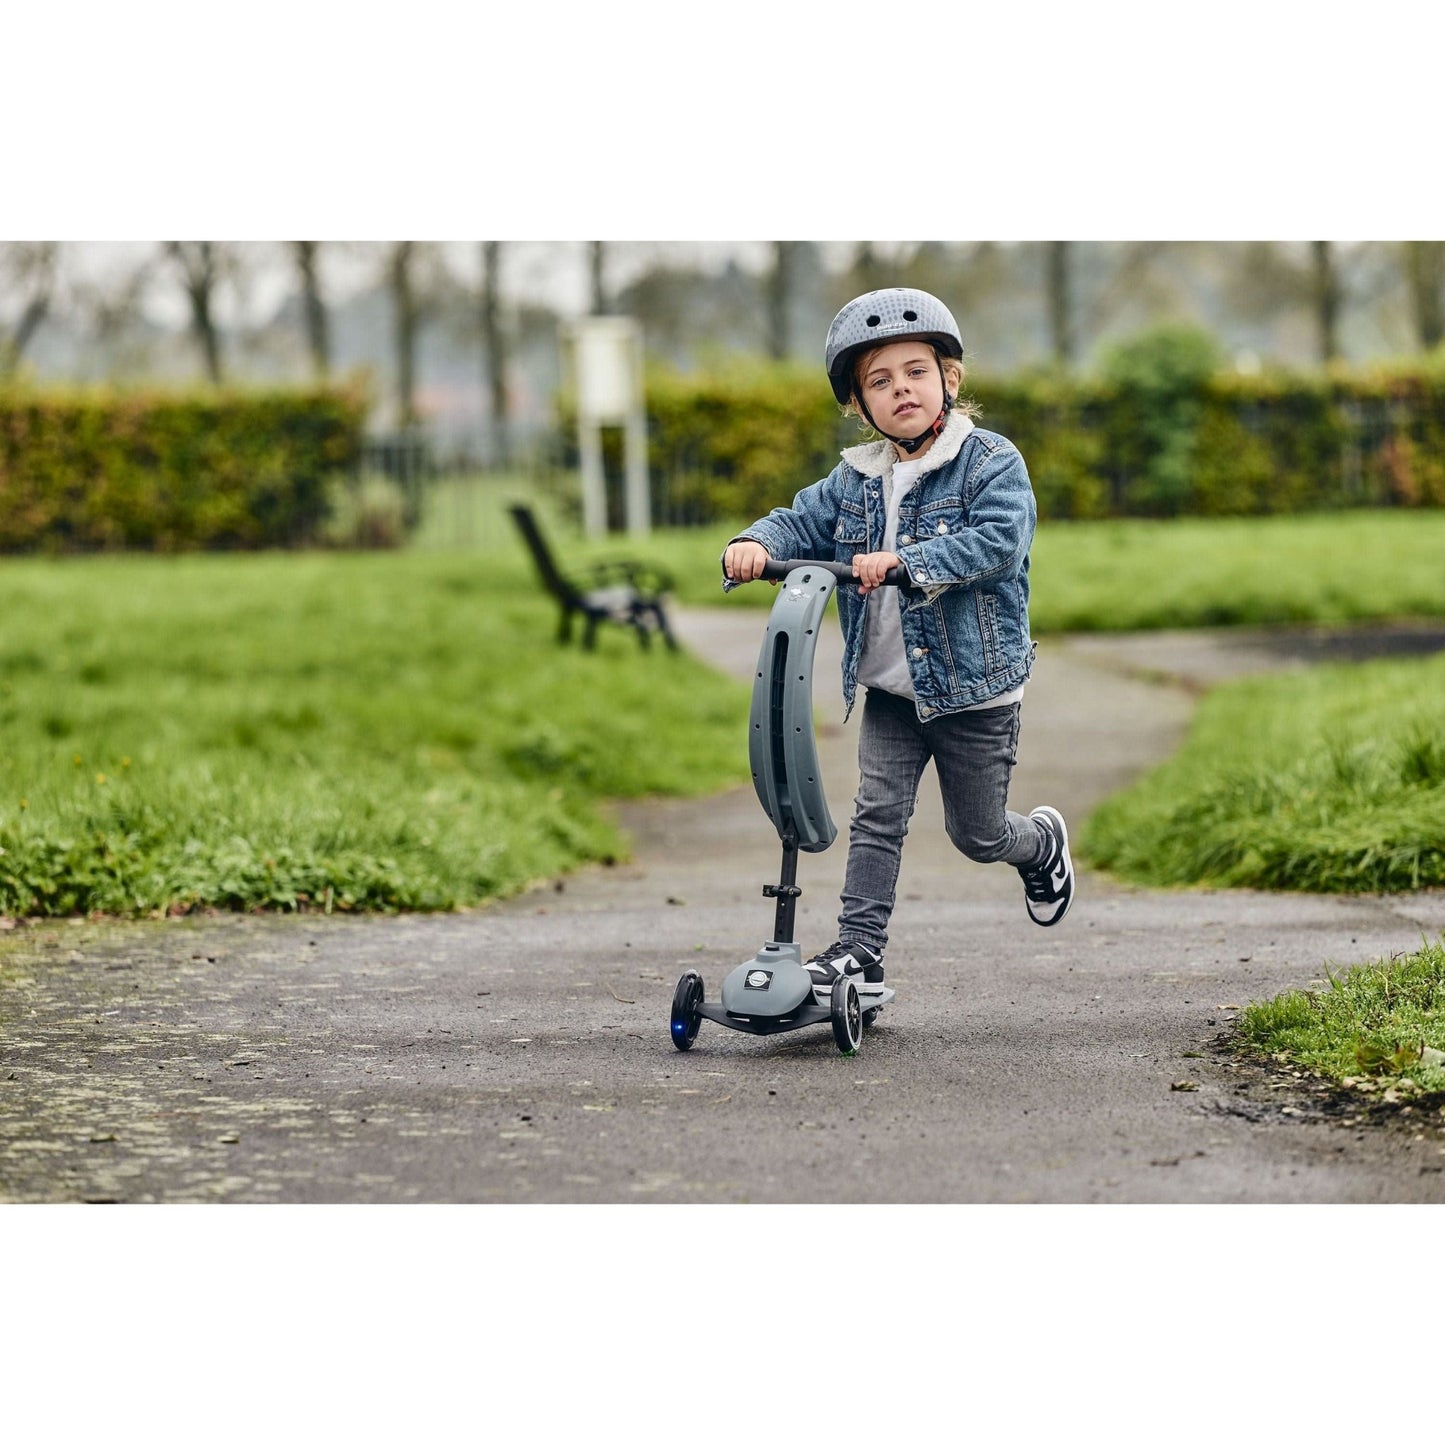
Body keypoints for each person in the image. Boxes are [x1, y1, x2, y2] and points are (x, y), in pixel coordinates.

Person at [722, 286, 1074, 990]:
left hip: (973, 691)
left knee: (976, 835)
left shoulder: (990, 462)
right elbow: (798, 521)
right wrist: (754, 543)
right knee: (876, 815)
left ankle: (1039, 844)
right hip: (888, 689)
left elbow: (999, 543)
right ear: (858, 404)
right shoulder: (855, 478)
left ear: (948, 377)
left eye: (914, 371)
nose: (899, 389)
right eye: (877, 381)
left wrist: (909, 564)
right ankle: (859, 946)